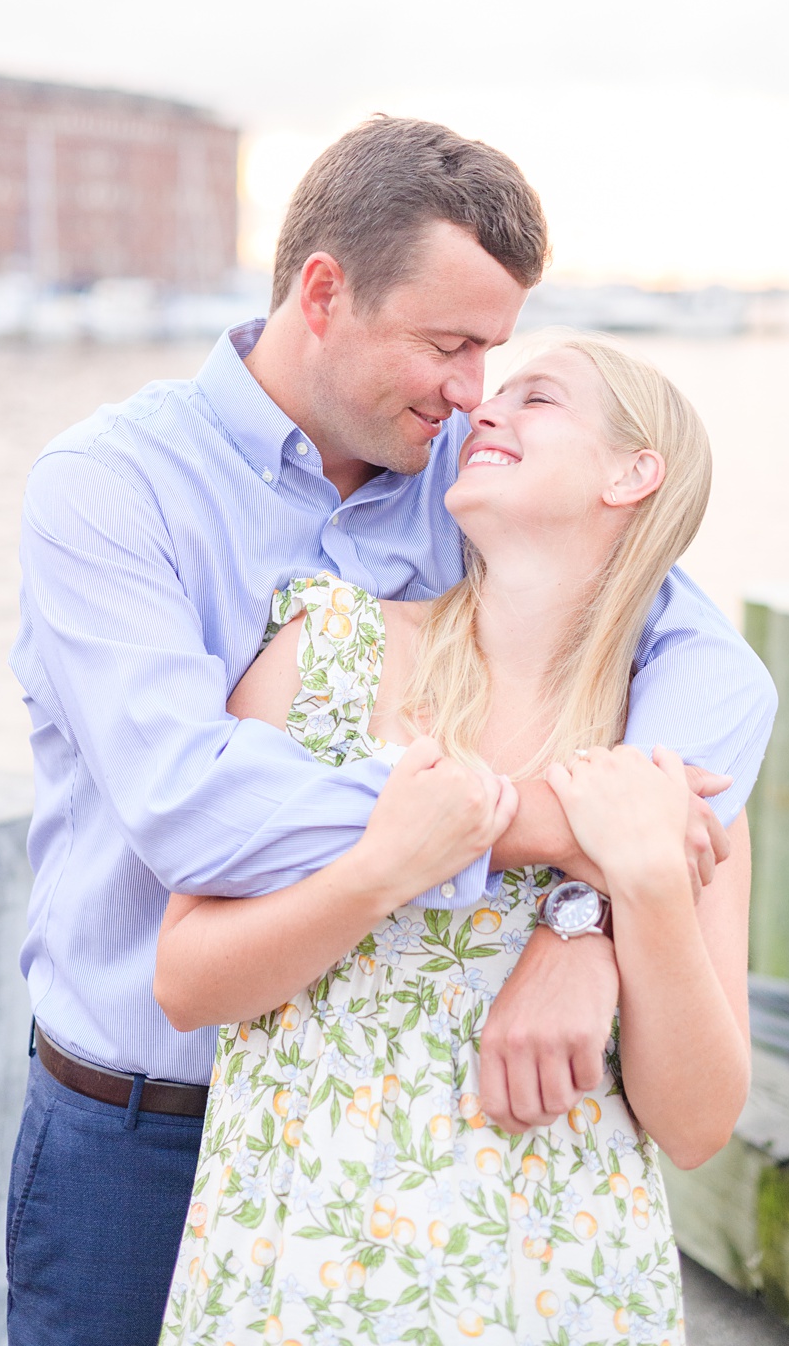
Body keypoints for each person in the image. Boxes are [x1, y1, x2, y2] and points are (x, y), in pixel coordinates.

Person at [5, 119, 775, 1346]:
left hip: (461, 1171)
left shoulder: (460, 469)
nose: (473, 391)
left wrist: (598, 916)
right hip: (147, 1123)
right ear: (325, 292)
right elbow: (193, 813)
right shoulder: (114, 487)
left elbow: (704, 662)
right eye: (450, 344)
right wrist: (541, 825)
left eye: (501, 356)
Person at [152, 332, 748, 1342]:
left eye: (539, 398)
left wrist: (634, 894)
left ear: (632, 471)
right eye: (492, 395)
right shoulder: (329, 654)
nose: (486, 410)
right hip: (310, 1264)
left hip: (560, 1280)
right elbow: (185, 980)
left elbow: (695, 1127)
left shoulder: (670, 749)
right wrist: (385, 867)